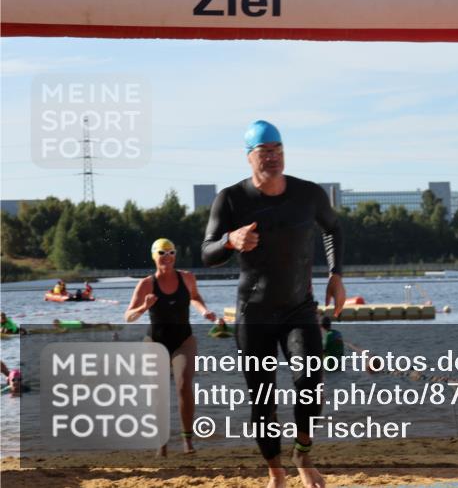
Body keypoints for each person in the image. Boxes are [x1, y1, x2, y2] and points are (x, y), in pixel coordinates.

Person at [202, 120, 345, 488]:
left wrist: (336, 275)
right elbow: (206, 253)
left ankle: (302, 453)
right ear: (249, 157)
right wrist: (230, 241)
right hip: (255, 312)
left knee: (311, 383)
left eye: (277, 149)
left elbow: (333, 229)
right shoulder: (231, 199)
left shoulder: (308, 194)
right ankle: (275, 473)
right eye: (264, 151)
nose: (272, 157)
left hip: (300, 307)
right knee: (263, 396)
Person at [125, 238, 217, 455]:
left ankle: (187, 441)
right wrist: (143, 307)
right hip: (155, 342)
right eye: (162, 253)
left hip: (184, 340)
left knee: (184, 385)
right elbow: (128, 316)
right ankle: (162, 442)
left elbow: (194, 297)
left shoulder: (187, 278)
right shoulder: (146, 284)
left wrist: (204, 311)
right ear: (154, 256)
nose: (167, 257)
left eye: (171, 253)